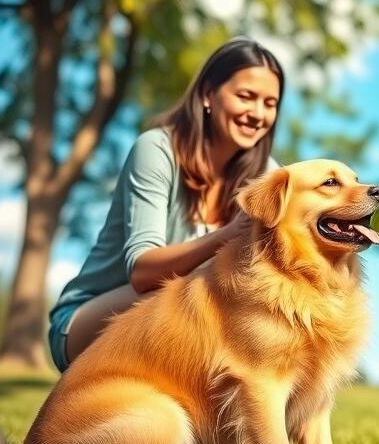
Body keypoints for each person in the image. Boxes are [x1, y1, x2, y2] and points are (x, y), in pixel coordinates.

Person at [47, 38, 284, 372]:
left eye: (270, 103)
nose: (258, 114)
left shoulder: (264, 175)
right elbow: (143, 272)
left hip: (184, 320)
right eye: (245, 96)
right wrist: (225, 236)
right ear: (207, 95)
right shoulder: (158, 150)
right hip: (87, 322)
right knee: (200, 292)